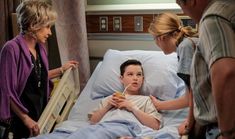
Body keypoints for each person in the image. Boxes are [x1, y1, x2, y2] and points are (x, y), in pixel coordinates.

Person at [0, 0, 78, 139]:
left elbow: (35, 77)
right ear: (33, 25)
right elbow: (7, 91)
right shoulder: (11, 49)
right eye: (47, 27)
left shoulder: (40, 48)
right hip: (20, 119)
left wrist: (61, 69)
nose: (50, 32)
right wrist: (26, 119)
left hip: (39, 113)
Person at [31, 59, 162, 139]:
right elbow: (93, 121)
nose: (135, 78)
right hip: (98, 127)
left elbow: (155, 125)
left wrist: (132, 107)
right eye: (130, 74)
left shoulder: (146, 100)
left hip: (124, 127)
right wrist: (107, 107)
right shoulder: (110, 98)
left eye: (139, 75)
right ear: (121, 79)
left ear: (143, 79)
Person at [176, 0, 235, 139]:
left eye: (181, 5)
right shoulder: (229, 9)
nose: (183, 12)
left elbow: (226, 73)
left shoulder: (213, 18)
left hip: (221, 127)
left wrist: (227, 133)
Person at [148, 12, 198, 136]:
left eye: (154, 39)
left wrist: (188, 125)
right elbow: (188, 98)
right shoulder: (188, 43)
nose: (156, 43)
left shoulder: (186, 47)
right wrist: (159, 105)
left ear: (160, 37)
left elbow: (193, 94)